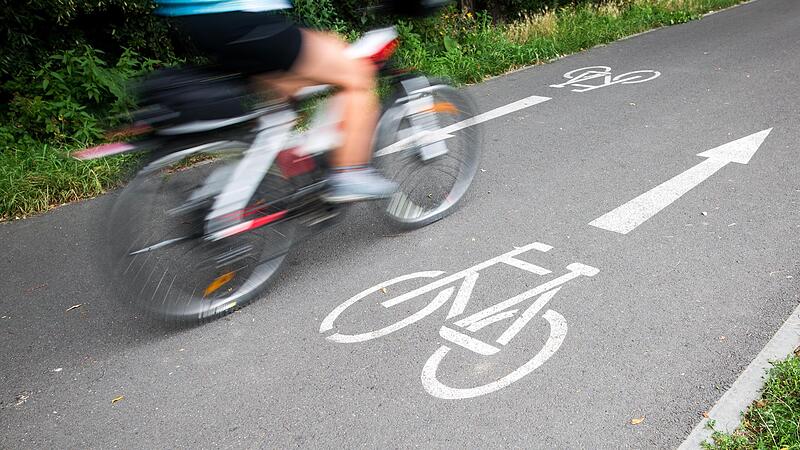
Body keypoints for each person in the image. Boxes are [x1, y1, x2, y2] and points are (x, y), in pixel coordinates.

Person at [153, 0, 397, 202]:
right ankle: (349, 173)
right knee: (355, 72)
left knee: (293, 77)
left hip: (195, 21)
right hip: (239, 19)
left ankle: (280, 162)